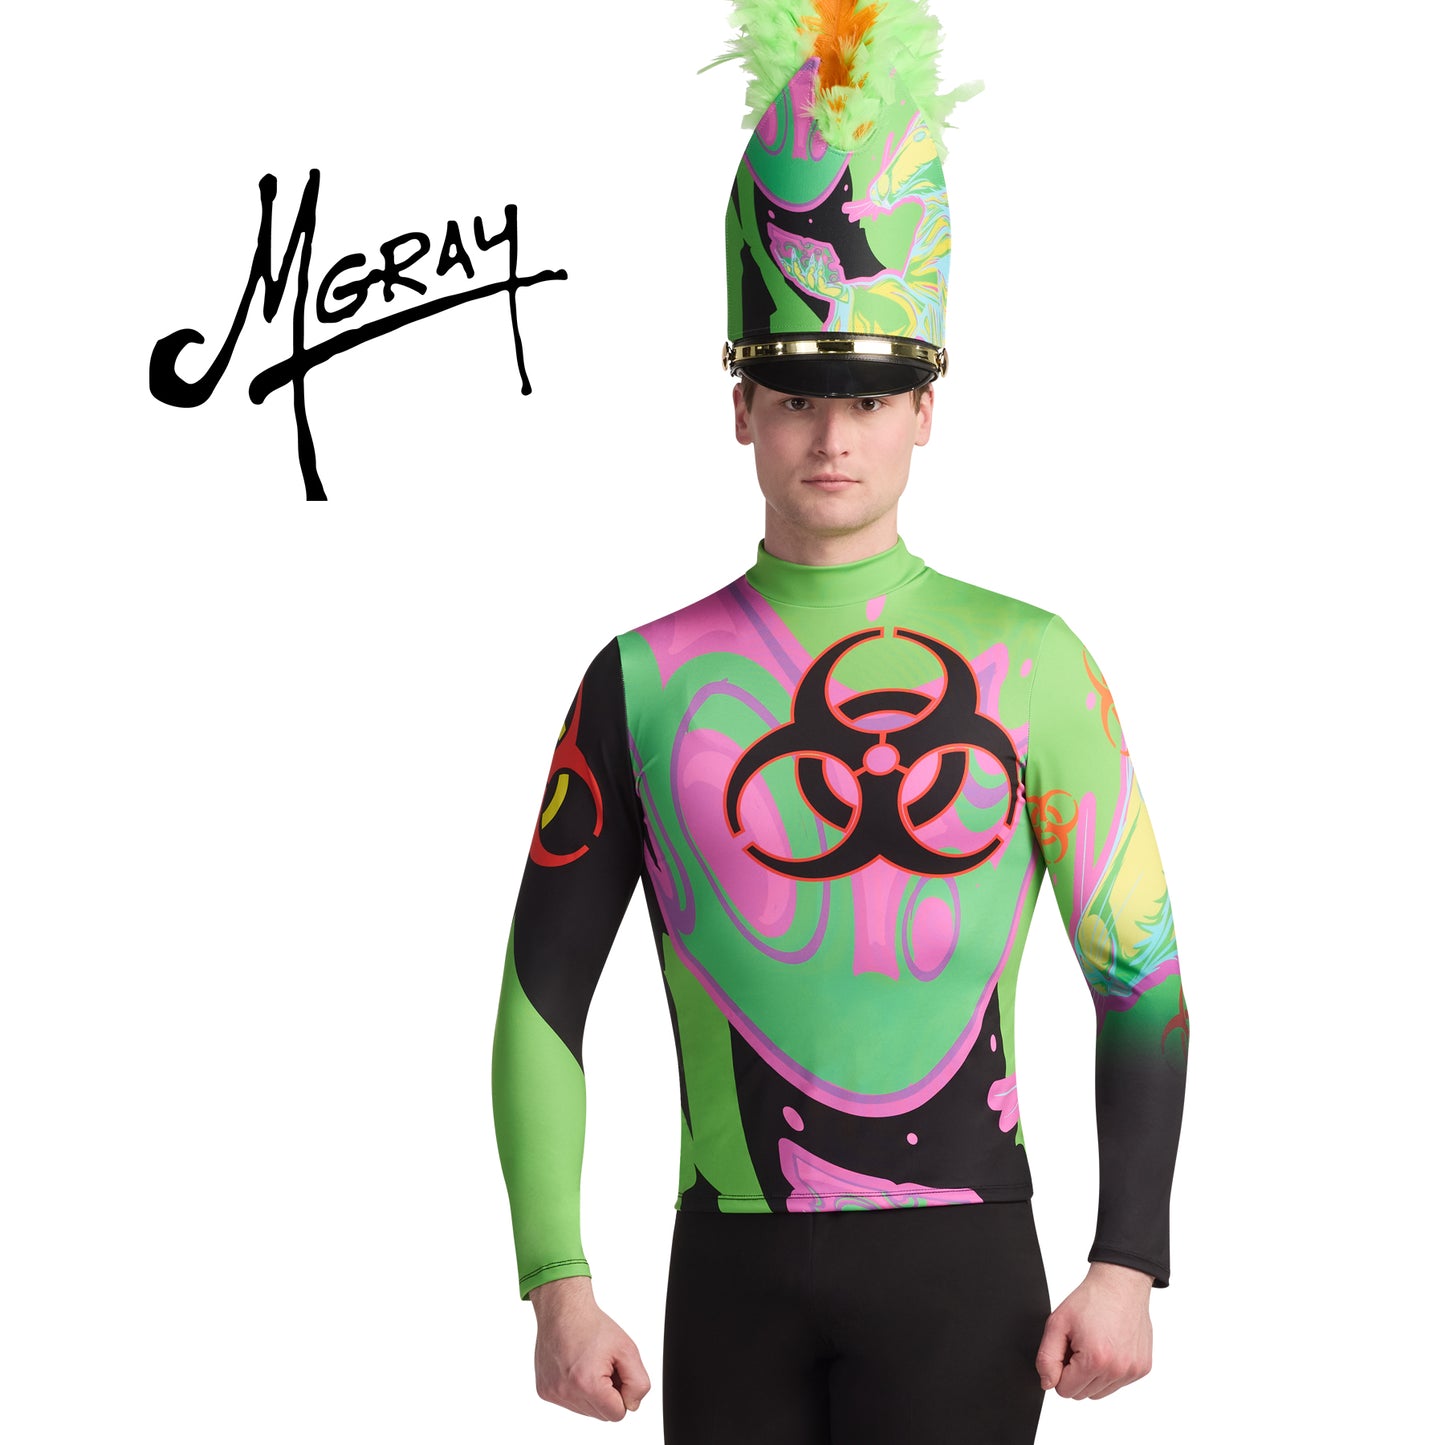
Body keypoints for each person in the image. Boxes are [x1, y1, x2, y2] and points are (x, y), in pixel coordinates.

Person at [492, 5, 1187, 1440]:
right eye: (798, 393)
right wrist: (555, 1280)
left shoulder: (1033, 664)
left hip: (962, 1270)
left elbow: (1144, 983)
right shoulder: (641, 677)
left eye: (869, 395)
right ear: (739, 402)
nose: (831, 434)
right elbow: (539, 993)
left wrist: (1129, 1256)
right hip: (731, 1267)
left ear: (927, 408)